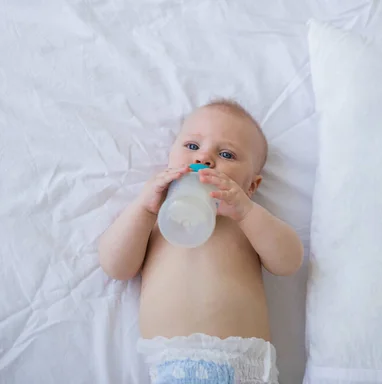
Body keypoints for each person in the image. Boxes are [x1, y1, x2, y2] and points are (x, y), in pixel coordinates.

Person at [98, 99, 303, 383]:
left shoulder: (244, 221)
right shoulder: (155, 218)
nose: (204, 159)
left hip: (243, 369)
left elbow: (289, 261)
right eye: (192, 147)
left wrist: (247, 212)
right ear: (170, 158)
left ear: (251, 186)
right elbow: (115, 266)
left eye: (227, 154)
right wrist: (143, 209)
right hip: (172, 371)